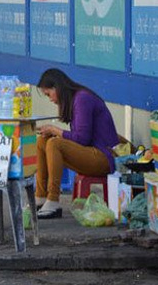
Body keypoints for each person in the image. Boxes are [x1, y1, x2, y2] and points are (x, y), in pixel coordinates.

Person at [34, 68, 119, 219]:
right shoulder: (75, 99)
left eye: (49, 94)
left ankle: (53, 199)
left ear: (57, 88)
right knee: (43, 141)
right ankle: (40, 196)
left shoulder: (82, 99)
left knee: (54, 143)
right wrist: (52, 132)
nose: (50, 99)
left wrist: (55, 130)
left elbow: (82, 139)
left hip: (104, 158)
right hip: (90, 152)